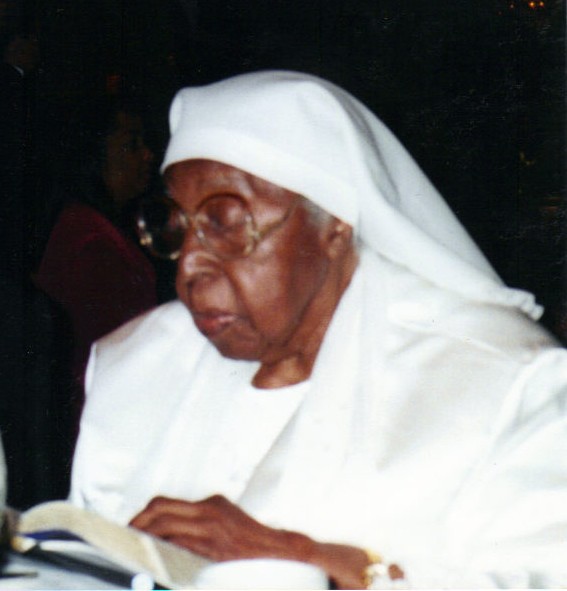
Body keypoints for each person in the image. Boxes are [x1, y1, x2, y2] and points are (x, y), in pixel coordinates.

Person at [69, 71, 567, 588]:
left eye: (227, 222)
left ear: (334, 224)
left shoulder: (504, 380)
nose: (190, 266)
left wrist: (305, 559)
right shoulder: (137, 365)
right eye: (174, 224)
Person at [35, 98, 158, 417]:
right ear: (95, 155)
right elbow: (105, 361)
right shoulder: (91, 241)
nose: (148, 155)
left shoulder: (96, 225)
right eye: (132, 144)